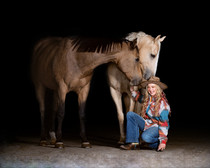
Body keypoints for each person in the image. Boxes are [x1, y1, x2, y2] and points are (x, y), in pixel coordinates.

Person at [120, 76, 171, 151]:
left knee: (145, 137)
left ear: (158, 88)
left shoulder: (164, 106)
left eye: (153, 87)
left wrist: (163, 141)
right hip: (148, 124)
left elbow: (164, 124)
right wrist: (132, 91)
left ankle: (157, 143)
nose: (150, 90)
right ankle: (133, 143)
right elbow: (140, 98)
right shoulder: (148, 99)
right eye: (149, 87)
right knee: (130, 115)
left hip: (158, 126)